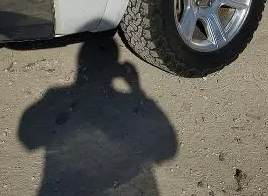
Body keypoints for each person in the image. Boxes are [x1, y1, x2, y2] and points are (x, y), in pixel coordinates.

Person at [18, 34, 177, 195]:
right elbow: (168, 149)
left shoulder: (56, 96)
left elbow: (27, 138)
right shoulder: (127, 101)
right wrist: (136, 89)